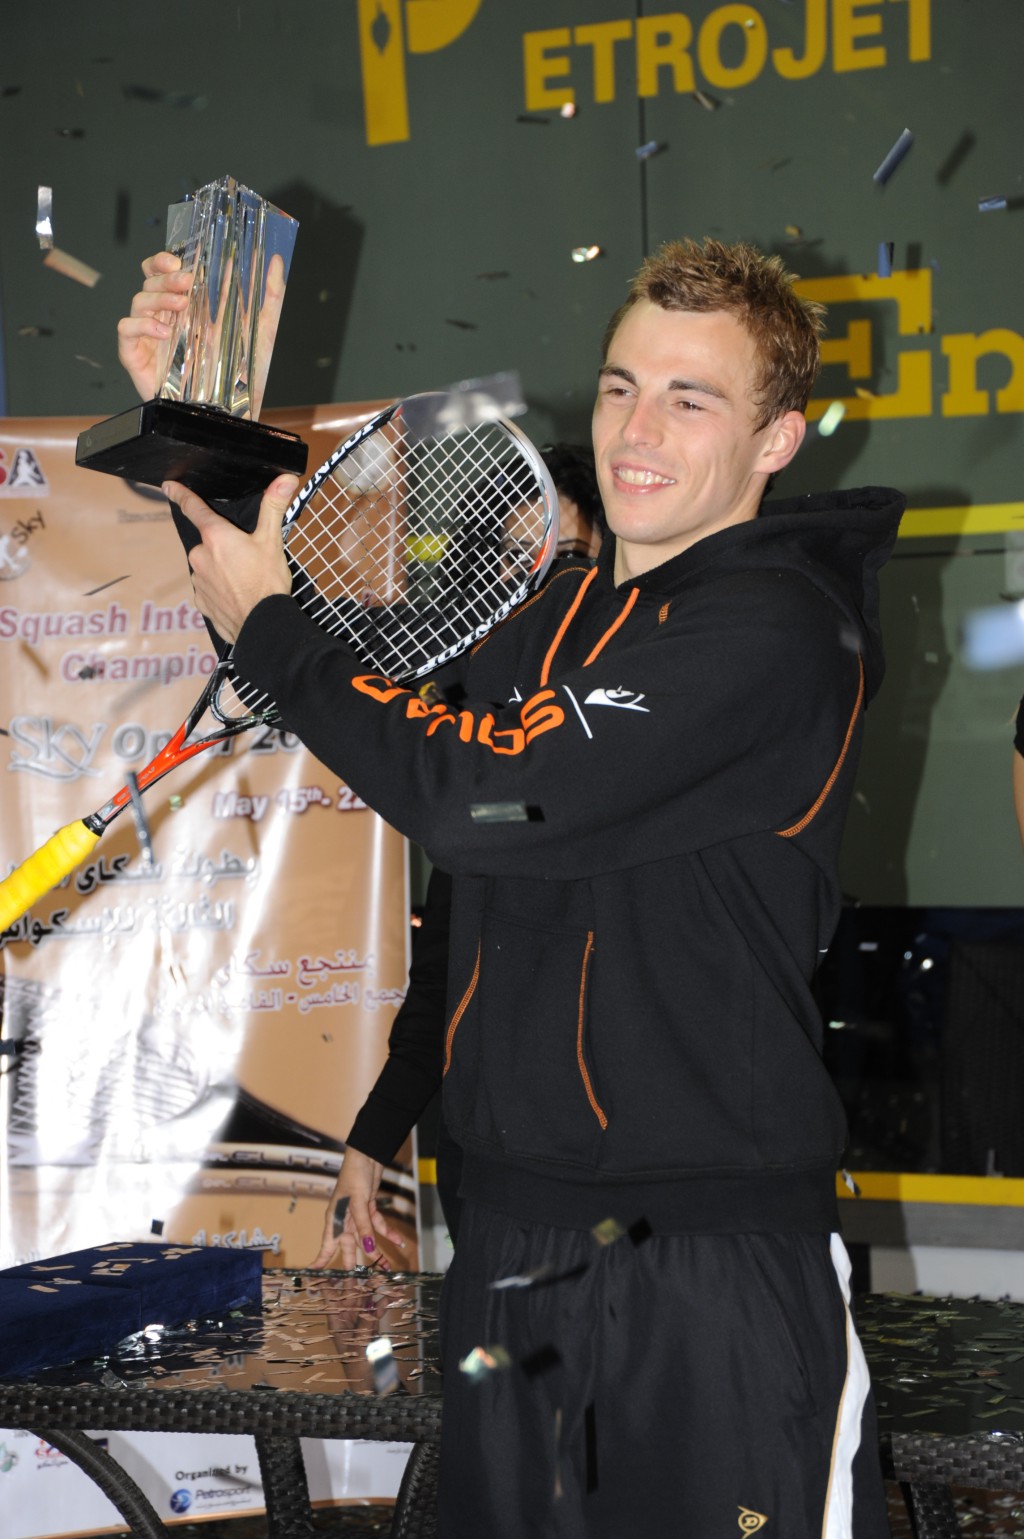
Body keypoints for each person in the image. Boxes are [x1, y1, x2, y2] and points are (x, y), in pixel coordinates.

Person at [125, 237, 904, 1537]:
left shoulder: (778, 630)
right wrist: (189, 422)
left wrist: (276, 628)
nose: (636, 431)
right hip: (513, 1251)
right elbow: (319, 667)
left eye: (691, 399)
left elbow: (478, 795)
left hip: (704, 1266)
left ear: (777, 440)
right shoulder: (549, 621)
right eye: (619, 388)